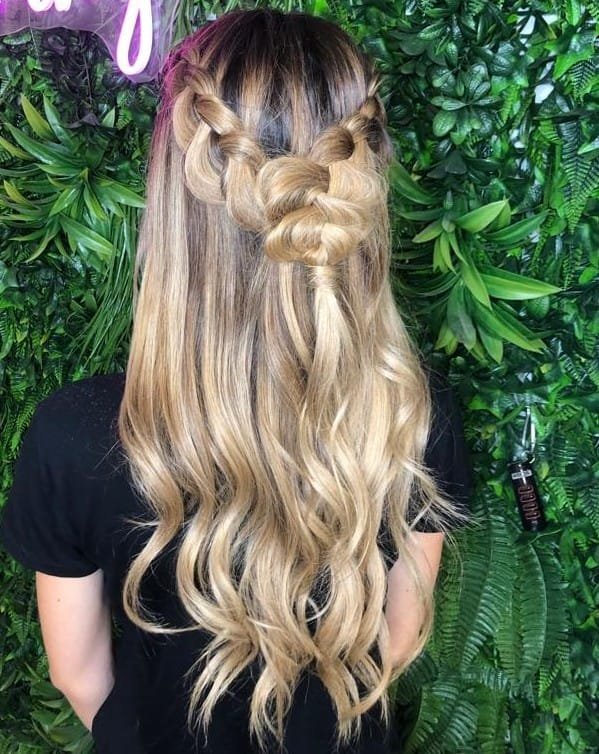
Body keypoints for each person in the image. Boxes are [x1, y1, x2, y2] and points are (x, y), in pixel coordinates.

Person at [0, 8, 472, 754]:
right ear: (362, 185)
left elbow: (78, 673)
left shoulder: (74, 435)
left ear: (173, 195)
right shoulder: (413, 412)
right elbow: (400, 630)